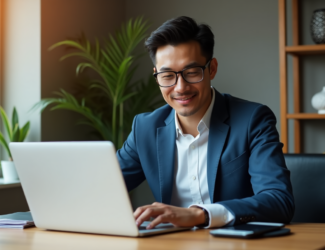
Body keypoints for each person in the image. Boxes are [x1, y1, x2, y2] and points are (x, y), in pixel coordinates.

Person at [116, 16, 294, 229]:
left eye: (191, 73)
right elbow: (99, 187)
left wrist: (200, 215)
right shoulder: (145, 128)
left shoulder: (252, 120)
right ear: (157, 76)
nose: (180, 87)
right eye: (167, 75)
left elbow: (278, 201)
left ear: (212, 69)